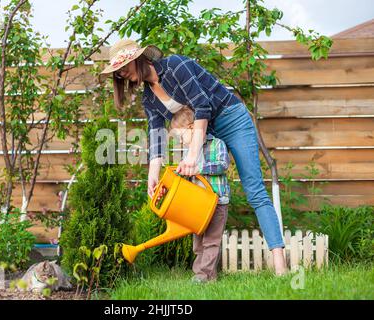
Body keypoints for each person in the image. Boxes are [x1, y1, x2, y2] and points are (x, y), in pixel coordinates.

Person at [100, 39, 286, 275]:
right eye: (118, 72)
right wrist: (152, 174)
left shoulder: (175, 66)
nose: (123, 74)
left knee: (254, 190)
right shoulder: (148, 97)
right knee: (202, 196)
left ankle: (280, 266)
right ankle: (206, 270)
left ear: (137, 58)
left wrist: (193, 154)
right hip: (204, 132)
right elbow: (156, 134)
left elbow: (202, 105)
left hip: (231, 119)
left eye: (123, 66)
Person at [170, 106, 230, 283]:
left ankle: (205, 274)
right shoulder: (188, 153)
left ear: (191, 128)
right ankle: (201, 274)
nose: (181, 142)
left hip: (217, 201)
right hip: (198, 205)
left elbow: (223, 165)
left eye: (181, 137)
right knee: (198, 242)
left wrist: (199, 168)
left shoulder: (217, 144)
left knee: (211, 240)